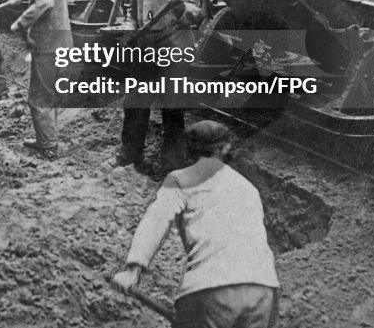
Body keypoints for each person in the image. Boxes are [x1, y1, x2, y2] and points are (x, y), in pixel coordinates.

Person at [112, 120, 280, 328]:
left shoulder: (181, 179)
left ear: (189, 149)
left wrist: (133, 270)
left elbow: (156, 220)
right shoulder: (248, 188)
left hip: (211, 287)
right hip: (264, 288)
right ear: (225, 148)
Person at [116, 0, 202, 170]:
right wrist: (128, 32)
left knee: (172, 107)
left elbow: (195, 16)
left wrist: (179, 7)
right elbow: (133, 12)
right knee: (134, 103)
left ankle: (173, 165)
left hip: (172, 44)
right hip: (146, 46)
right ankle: (129, 156)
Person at [10, 0, 72, 160]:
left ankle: (48, 146)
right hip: (62, 42)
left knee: (38, 97)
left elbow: (45, 2)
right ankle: (46, 138)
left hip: (48, 44)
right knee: (49, 92)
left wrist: (20, 22)